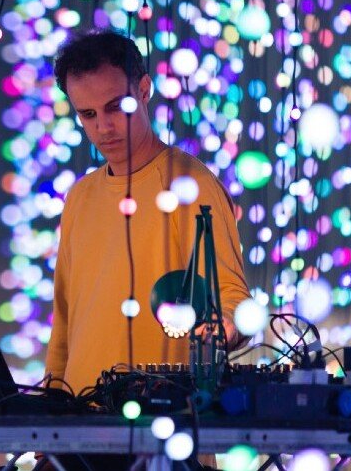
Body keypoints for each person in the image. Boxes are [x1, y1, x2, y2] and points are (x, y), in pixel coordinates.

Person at [45, 29, 251, 396]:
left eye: (115, 107)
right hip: (77, 417)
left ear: (144, 90)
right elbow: (63, 323)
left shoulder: (191, 184)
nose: (103, 127)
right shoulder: (79, 197)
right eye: (88, 114)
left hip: (159, 415)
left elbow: (231, 297)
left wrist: (223, 328)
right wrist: (50, 406)